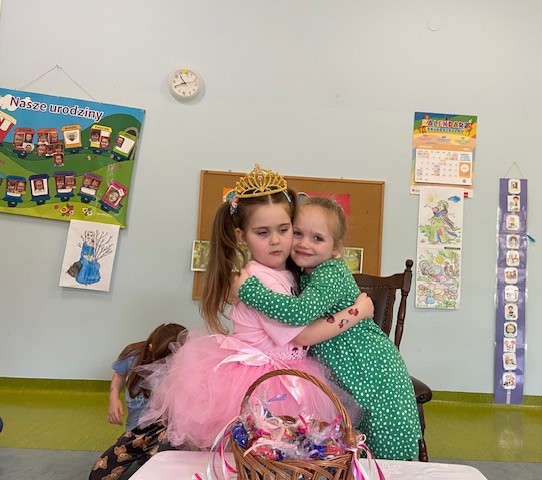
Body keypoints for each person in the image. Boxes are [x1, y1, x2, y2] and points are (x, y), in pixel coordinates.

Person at [138, 165, 372, 450]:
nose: (276, 240)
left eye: (284, 230)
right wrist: (357, 311)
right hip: (265, 379)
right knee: (265, 447)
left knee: (277, 449)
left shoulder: (286, 272)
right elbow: (302, 335)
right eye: (262, 232)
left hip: (284, 369)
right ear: (241, 236)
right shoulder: (261, 280)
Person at [235, 195, 423, 460]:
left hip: (374, 371)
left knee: (385, 449)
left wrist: (250, 291)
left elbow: (298, 313)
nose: (304, 243)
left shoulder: (330, 273)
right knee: (352, 444)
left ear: (335, 248)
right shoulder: (302, 273)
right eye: (298, 233)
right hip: (351, 373)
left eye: (317, 238)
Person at [89, 323, 186, 480]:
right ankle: (145, 454)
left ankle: (153, 455)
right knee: (97, 476)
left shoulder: (182, 362)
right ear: (151, 348)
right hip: (136, 431)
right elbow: (119, 374)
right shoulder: (133, 355)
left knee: (159, 471)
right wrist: (113, 399)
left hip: (165, 431)